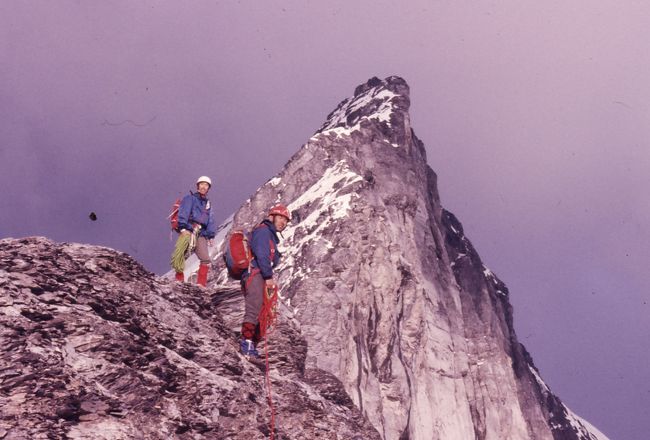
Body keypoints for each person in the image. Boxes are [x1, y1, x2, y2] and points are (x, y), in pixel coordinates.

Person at [240, 204, 291, 357]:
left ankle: (252, 346)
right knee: (254, 307)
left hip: (261, 275)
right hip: (256, 273)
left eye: (286, 220)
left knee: (265, 314)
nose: (283, 222)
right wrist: (268, 277)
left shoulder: (271, 237)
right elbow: (262, 255)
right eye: (280, 217)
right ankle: (246, 344)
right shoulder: (263, 232)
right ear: (272, 217)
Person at [171, 176, 216, 287]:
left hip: (201, 233)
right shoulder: (190, 198)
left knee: (205, 259)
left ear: (208, 188)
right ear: (197, 186)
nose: (204, 187)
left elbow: (210, 220)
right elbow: (184, 213)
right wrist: (183, 228)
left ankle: (201, 285)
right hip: (188, 229)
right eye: (202, 184)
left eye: (206, 185)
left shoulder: (208, 204)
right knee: (180, 255)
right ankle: (179, 281)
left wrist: (210, 236)